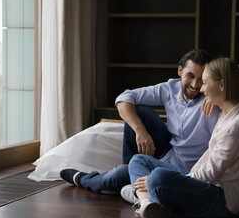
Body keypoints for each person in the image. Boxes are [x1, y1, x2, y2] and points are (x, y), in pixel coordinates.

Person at [122, 57, 239, 218]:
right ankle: (147, 204)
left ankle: (144, 195)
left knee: (158, 177)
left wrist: (171, 181)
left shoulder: (236, 126)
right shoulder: (236, 108)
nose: (200, 89)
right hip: (204, 181)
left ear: (222, 85)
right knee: (138, 160)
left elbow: (210, 173)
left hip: (221, 198)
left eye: (204, 82)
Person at [59, 49, 221, 194]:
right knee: (138, 109)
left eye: (201, 79)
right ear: (180, 70)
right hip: (168, 153)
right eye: (190, 76)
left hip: (188, 170)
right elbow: (124, 98)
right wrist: (140, 132)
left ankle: (86, 179)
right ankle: (130, 170)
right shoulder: (170, 88)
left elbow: (235, 99)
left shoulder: (213, 100)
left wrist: (217, 94)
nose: (195, 85)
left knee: (115, 176)